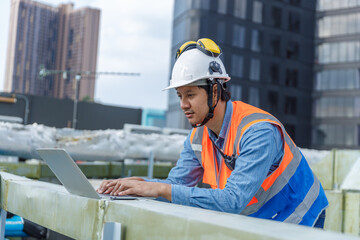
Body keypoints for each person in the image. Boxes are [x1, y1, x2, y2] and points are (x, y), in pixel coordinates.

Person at [97, 38, 328, 228]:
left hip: (301, 216)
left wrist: (158, 188)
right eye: (179, 95)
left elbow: (232, 200)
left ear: (215, 91)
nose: (183, 104)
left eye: (190, 94)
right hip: (264, 218)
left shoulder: (258, 131)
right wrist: (136, 186)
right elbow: (175, 185)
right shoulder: (198, 137)